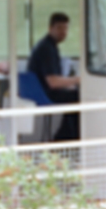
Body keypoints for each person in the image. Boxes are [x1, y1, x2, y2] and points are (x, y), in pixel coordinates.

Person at [27, 12, 81, 141]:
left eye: (66, 28)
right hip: (43, 93)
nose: (63, 32)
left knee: (74, 95)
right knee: (79, 96)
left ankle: (67, 137)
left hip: (44, 89)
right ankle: (65, 139)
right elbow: (52, 82)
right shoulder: (47, 48)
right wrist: (79, 79)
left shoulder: (50, 46)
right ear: (50, 28)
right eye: (59, 28)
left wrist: (70, 84)